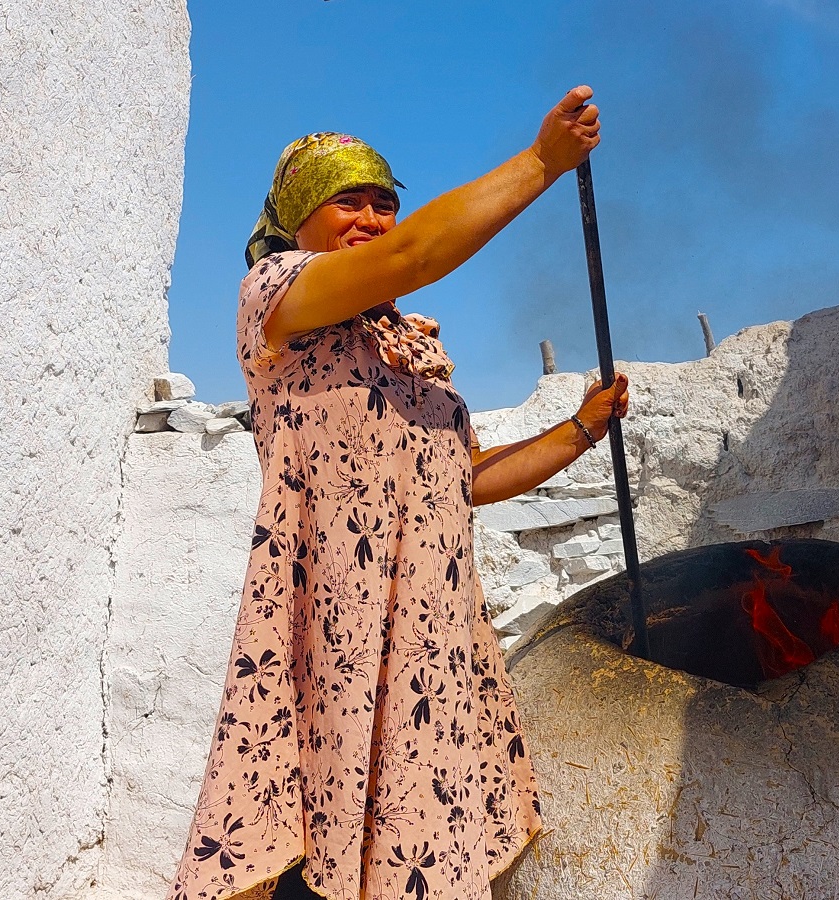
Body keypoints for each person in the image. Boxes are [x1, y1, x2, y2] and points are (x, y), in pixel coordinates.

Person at [171, 86, 629, 900]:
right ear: (297, 217)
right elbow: (413, 257)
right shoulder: (279, 296)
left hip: (429, 628)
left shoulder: (402, 347)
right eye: (348, 201)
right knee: (321, 830)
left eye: (385, 204)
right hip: (340, 616)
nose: (373, 218)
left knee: (416, 836)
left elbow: (465, 481)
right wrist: (542, 164)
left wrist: (582, 429)